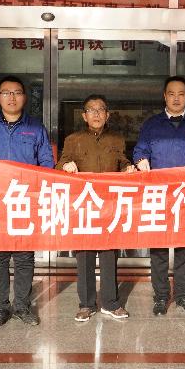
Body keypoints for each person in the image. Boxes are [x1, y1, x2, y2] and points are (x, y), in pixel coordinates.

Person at [0, 76, 55, 327]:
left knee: (25, 257)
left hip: (25, 201)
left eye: (17, 93)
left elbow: (46, 163)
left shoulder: (36, 128)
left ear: (24, 97)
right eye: (6, 93)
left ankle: (22, 307)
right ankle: (0, 308)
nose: (12, 97)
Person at [133, 76, 185, 316]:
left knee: (184, 248)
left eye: (181, 94)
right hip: (159, 195)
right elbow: (139, 150)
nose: (176, 98)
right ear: (164, 97)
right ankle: (160, 296)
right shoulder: (151, 124)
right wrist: (141, 160)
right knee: (158, 248)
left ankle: (183, 296)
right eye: (171, 93)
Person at [56, 94, 135, 322]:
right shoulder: (73, 140)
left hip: (109, 207)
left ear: (107, 115)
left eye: (101, 109)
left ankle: (111, 303)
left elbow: (123, 162)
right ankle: (87, 304)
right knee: (85, 256)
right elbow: (60, 164)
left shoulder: (117, 139)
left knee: (109, 255)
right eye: (91, 110)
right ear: (84, 116)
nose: (97, 114)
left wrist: (128, 168)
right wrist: (66, 165)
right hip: (85, 207)